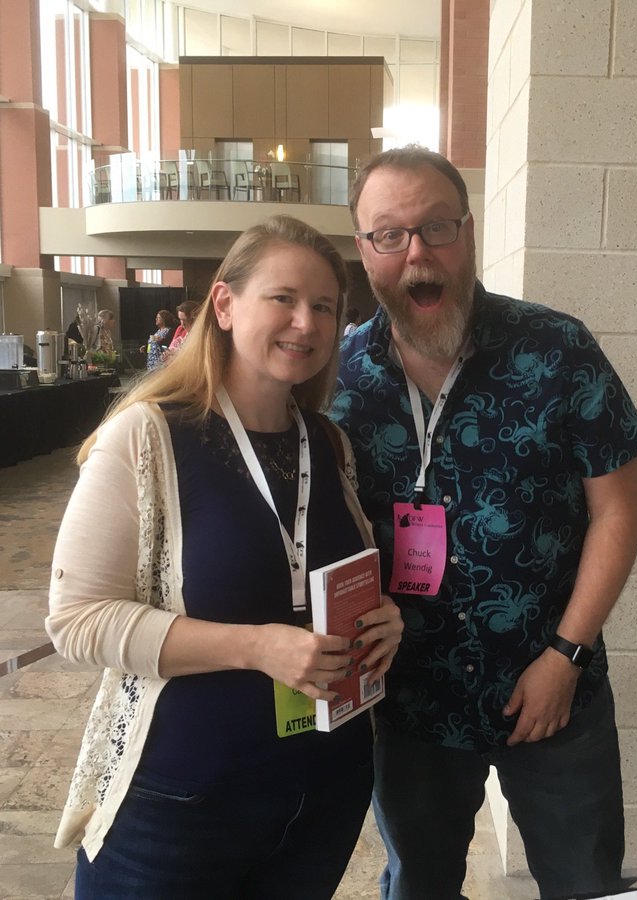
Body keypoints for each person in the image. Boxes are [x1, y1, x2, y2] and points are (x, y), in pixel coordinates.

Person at [47, 214, 403, 899]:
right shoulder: (146, 438)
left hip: (321, 798)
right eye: (284, 298)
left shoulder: (330, 446)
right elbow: (77, 621)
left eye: (325, 306)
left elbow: (326, 583)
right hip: (179, 804)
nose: (306, 322)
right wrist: (258, 648)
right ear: (225, 303)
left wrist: (386, 619)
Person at [331, 146, 637, 900]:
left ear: (469, 231)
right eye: (390, 234)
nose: (417, 255)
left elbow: (619, 510)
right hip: (409, 698)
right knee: (420, 884)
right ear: (363, 249)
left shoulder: (559, 350)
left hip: (553, 685)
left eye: (436, 227)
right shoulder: (336, 378)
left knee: (584, 882)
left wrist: (565, 655)